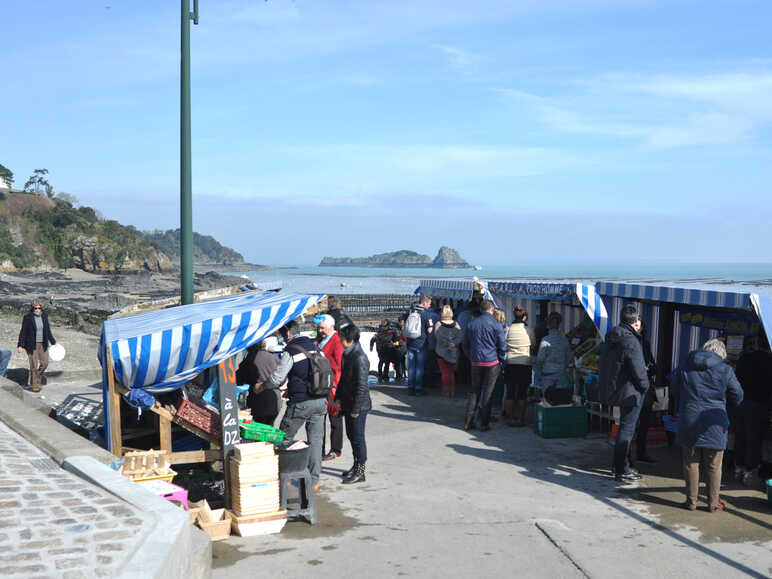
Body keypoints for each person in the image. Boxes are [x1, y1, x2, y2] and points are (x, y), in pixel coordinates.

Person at [671, 339, 743, 511]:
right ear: (722, 354)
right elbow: (738, 395)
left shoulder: (686, 366)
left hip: (689, 419)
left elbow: (674, 389)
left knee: (690, 462)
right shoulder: (725, 370)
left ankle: (691, 502)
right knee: (714, 465)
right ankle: (713, 504)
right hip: (713, 422)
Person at [259, 320, 328, 489]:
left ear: (287, 334)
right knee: (316, 441)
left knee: (282, 437)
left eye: (282, 334)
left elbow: (277, 378)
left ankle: (281, 478)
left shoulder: (291, 350)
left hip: (301, 403)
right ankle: (314, 482)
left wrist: (262, 386)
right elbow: (309, 372)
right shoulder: (314, 346)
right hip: (321, 400)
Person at [598, 304, 650, 482]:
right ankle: (622, 469)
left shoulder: (613, 336)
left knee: (623, 429)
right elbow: (638, 370)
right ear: (636, 321)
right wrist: (645, 387)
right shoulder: (631, 341)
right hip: (630, 392)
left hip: (617, 389)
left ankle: (618, 465)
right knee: (627, 431)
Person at [462, 300, 507, 432]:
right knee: (488, 392)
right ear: (491, 309)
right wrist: (500, 358)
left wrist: (470, 356)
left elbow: (464, 343)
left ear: (481, 309)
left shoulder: (472, 323)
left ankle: (468, 421)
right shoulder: (496, 324)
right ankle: (484, 423)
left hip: (476, 361)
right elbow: (502, 345)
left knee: (474, 391)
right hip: (491, 361)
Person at [733, 334, 771, 486]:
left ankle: (738, 468)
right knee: (753, 440)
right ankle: (750, 471)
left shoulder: (744, 359)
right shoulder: (769, 361)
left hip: (741, 403)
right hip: (758, 404)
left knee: (740, 437)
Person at [336, 323, 372, 484]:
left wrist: (356, 408)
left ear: (350, 339)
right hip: (348, 401)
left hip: (358, 405)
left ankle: (361, 471)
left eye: (342, 338)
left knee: (358, 437)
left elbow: (362, 385)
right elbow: (344, 379)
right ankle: (355, 465)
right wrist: (338, 398)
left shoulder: (359, 358)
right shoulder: (348, 354)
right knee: (351, 436)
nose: (340, 341)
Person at [315, 315, 344, 462]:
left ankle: (336, 449)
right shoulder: (321, 340)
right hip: (321, 383)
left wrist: (335, 385)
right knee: (320, 418)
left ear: (331, 326)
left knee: (335, 418)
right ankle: (319, 449)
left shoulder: (336, 340)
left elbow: (339, 365)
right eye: (319, 328)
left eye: (322, 328)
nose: (320, 330)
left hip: (332, 385)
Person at [240, 336, 282, 426]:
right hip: (275, 400)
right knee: (269, 429)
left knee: (259, 432)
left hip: (258, 402)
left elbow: (239, 379)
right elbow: (282, 378)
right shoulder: (273, 357)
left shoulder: (249, 359)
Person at [634, 316, 659, 464]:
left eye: (640, 325)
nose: (638, 328)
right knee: (631, 425)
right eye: (636, 325)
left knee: (644, 423)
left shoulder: (646, 344)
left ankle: (641, 452)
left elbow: (653, 365)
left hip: (646, 388)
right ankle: (628, 456)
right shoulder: (631, 343)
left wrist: (650, 369)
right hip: (634, 389)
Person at [17, 300, 56, 392]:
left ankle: (37, 379)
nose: (37, 310)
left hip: (43, 344)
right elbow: (23, 332)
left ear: (41, 308)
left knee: (45, 363)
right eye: (35, 308)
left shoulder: (44, 316)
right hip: (31, 344)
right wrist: (20, 345)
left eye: (39, 308)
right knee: (34, 365)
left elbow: (48, 330)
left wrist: (53, 342)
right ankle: (35, 385)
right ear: (33, 308)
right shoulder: (27, 317)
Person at [504, 305, 534, 427]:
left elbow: (505, 344)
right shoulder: (529, 330)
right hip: (524, 363)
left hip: (510, 363)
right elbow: (533, 344)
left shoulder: (509, 329)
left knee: (510, 392)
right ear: (525, 317)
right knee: (522, 392)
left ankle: (510, 418)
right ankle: (520, 418)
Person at [534, 312, 572, 392]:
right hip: (561, 373)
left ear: (548, 325)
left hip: (547, 373)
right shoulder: (564, 340)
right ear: (559, 324)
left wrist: (540, 370)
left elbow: (540, 359)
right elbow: (569, 357)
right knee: (559, 400)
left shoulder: (545, 340)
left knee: (547, 400)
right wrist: (563, 367)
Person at [405, 294, 434, 396]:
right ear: (424, 302)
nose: (430, 305)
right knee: (419, 367)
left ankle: (410, 388)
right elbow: (430, 330)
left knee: (411, 367)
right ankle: (418, 388)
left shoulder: (410, 310)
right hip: (421, 344)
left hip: (410, 342)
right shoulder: (426, 314)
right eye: (429, 303)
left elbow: (403, 323)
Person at [434, 305, 462, 398]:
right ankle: (452, 391)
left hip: (441, 352)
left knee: (445, 372)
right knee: (451, 372)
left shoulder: (438, 324)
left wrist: (447, 344)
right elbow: (459, 337)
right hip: (453, 352)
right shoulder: (456, 324)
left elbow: (438, 338)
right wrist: (453, 344)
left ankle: (446, 391)